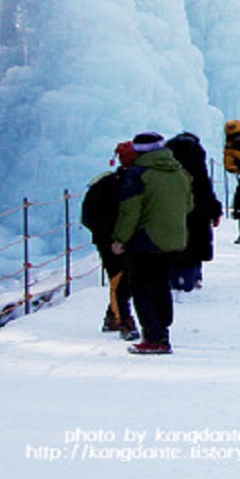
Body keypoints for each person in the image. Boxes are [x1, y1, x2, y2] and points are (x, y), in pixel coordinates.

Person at [109, 132, 193, 355]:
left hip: (146, 241)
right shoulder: (180, 172)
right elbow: (188, 205)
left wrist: (120, 239)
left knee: (142, 288)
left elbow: (130, 210)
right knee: (161, 285)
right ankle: (163, 333)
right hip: (175, 239)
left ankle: (153, 338)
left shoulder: (139, 174)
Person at [81, 143, 140, 341]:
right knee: (122, 279)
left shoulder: (105, 183)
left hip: (113, 239)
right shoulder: (129, 182)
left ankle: (113, 317)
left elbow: (89, 216)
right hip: (119, 239)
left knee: (122, 279)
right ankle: (122, 319)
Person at [165, 131, 220, 293]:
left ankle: (173, 278)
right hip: (198, 211)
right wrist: (214, 209)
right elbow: (204, 187)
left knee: (174, 246)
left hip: (171, 209)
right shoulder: (196, 157)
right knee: (195, 245)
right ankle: (191, 279)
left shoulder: (168, 157)